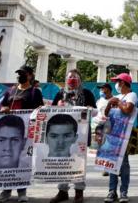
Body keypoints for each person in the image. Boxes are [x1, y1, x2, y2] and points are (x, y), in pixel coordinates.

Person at [0, 65, 44, 203]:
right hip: (9, 130)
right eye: (19, 74)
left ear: (30, 75)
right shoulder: (10, 91)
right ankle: (5, 191)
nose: (20, 76)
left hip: (26, 131)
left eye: (23, 73)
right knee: (9, 161)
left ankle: (22, 191)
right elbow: (2, 106)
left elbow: (39, 110)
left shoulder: (35, 92)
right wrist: (4, 108)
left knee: (23, 161)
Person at [49, 69, 93, 203]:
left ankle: (79, 192)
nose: (72, 79)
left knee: (79, 162)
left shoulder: (87, 93)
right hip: (64, 133)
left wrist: (88, 110)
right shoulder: (60, 94)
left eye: (75, 77)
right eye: (70, 77)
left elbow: (93, 110)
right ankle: (62, 191)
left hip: (81, 134)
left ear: (80, 80)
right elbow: (51, 112)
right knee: (63, 162)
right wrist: (57, 105)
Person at [104, 73, 138, 203]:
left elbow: (128, 110)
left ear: (123, 83)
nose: (116, 84)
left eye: (117, 81)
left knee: (123, 164)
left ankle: (123, 191)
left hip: (125, 135)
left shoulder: (131, 95)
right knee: (112, 163)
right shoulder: (117, 97)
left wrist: (117, 102)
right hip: (113, 135)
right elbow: (107, 114)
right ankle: (112, 191)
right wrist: (108, 105)